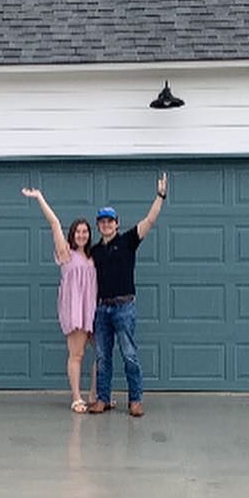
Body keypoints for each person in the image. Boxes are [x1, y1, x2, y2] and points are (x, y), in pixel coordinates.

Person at [89, 173, 168, 417]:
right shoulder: (94, 251)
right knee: (103, 357)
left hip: (124, 308)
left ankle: (135, 400)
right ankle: (103, 399)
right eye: (102, 221)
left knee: (129, 355)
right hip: (102, 309)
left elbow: (150, 220)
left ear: (117, 223)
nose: (106, 225)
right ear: (98, 225)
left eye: (110, 221)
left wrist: (160, 196)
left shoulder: (128, 241)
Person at [22, 188, 97, 413]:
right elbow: (54, 223)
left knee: (103, 354)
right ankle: (76, 397)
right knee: (77, 354)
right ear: (72, 234)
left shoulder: (93, 256)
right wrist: (39, 197)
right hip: (75, 310)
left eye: (85, 232)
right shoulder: (65, 253)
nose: (81, 235)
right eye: (78, 232)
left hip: (92, 309)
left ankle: (95, 394)